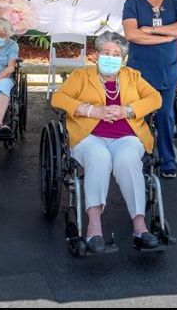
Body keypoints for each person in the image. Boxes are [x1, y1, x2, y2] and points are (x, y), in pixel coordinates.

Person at [51, 32, 162, 253]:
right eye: (106, 52)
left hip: (126, 136)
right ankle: (94, 227)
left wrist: (127, 111)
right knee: (99, 157)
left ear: (123, 58)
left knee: (128, 159)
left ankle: (140, 226)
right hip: (89, 136)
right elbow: (58, 98)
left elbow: (155, 98)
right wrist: (92, 110)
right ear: (96, 55)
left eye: (116, 54)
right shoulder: (81, 76)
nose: (111, 57)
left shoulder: (132, 76)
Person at [122, 0, 177, 179]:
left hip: (166, 71)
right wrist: (168, 36)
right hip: (139, 72)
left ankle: (167, 161)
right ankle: (139, 158)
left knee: (165, 116)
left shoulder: (175, 1)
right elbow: (131, 34)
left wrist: (152, 30)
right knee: (138, 116)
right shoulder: (132, 3)